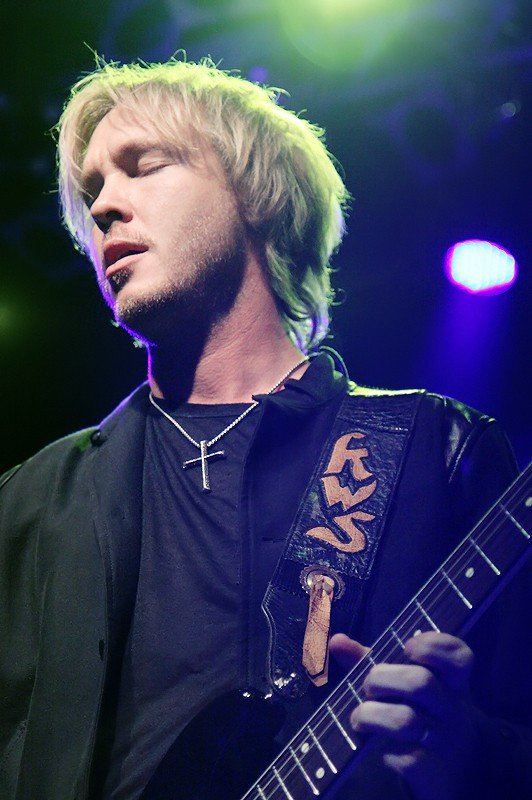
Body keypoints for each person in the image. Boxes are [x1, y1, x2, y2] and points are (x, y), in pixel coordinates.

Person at [0, 57, 530, 800]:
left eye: (143, 167)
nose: (106, 207)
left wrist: (474, 760)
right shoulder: (29, 505)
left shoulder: (434, 452)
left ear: (257, 194)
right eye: (91, 193)